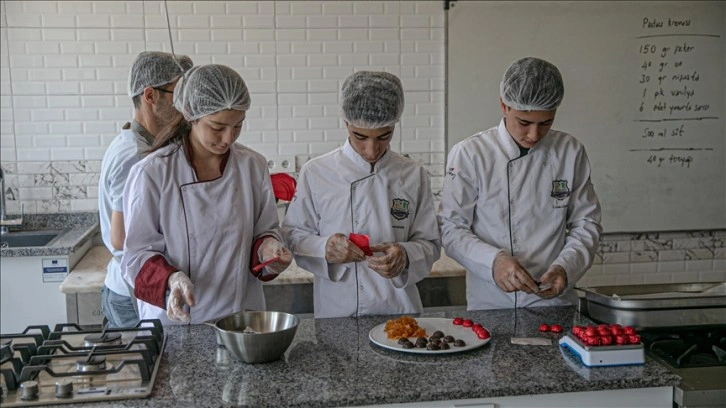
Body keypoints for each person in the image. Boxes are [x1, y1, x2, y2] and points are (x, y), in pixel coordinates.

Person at [121, 64, 292, 325]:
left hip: (240, 322)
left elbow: (264, 231)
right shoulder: (153, 173)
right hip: (176, 323)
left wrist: (269, 250)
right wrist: (172, 279)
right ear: (191, 116)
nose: (228, 138)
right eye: (217, 127)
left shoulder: (252, 165)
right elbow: (135, 257)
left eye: (238, 126)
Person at [438, 57, 602, 310]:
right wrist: (494, 261)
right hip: (491, 303)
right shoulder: (471, 153)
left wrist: (565, 267)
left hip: (554, 302)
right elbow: (451, 227)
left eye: (545, 123)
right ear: (504, 106)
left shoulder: (570, 151)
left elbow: (586, 223)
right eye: (524, 123)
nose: (534, 135)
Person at [282, 71, 441, 318]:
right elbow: (293, 235)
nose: (371, 149)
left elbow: (430, 243)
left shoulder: (412, 174)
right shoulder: (317, 172)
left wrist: (406, 255)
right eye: (360, 136)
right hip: (337, 314)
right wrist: (325, 247)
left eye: (384, 136)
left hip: (399, 313)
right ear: (346, 123)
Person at [98, 51, 193, 328]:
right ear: (150, 96)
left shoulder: (142, 142)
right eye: (179, 94)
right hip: (132, 294)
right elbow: (121, 238)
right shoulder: (135, 154)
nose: (188, 105)